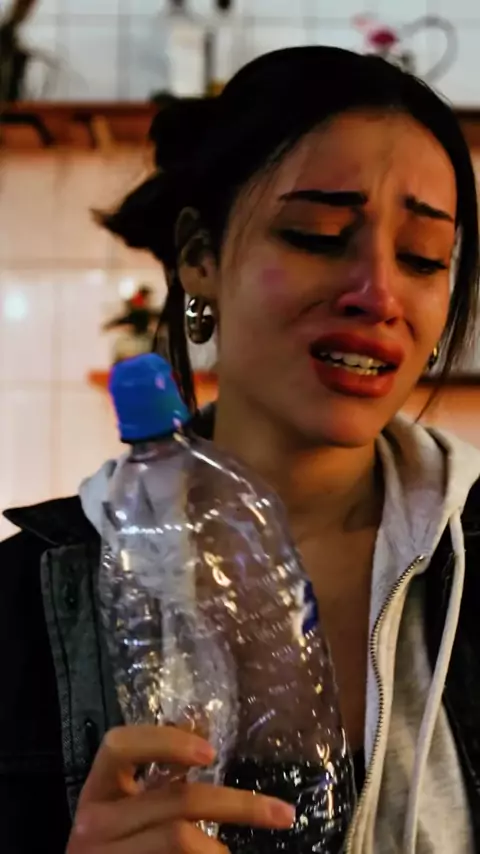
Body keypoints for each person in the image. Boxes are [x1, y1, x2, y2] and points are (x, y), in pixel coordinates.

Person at [1, 46, 480, 854]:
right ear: (199, 258)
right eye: (318, 235)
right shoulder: (30, 600)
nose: (379, 294)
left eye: (423, 258)